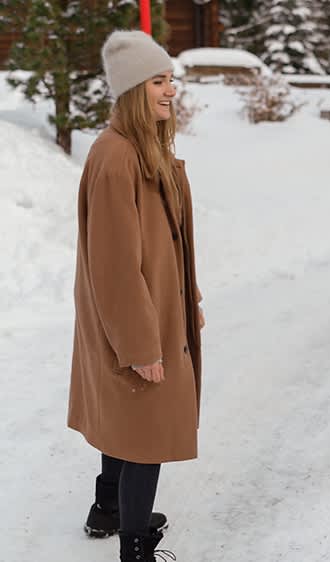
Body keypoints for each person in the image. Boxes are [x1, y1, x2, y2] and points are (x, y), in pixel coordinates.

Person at [67, 30, 204, 561]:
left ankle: (108, 508)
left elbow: (168, 241)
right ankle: (135, 545)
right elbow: (115, 266)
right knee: (145, 423)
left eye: (171, 79)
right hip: (135, 321)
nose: (171, 91)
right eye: (157, 81)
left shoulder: (145, 150)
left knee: (127, 416)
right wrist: (141, 345)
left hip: (156, 310)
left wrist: (188, 297)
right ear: (131, 90)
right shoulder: (116, 157)